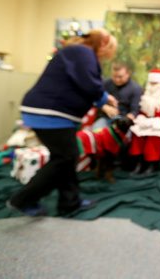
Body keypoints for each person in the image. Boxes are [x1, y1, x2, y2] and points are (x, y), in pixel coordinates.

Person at [7, 28, 118, 217]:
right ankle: (22, 199)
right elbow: (89, 84)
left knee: (68, 158)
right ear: (103, 43)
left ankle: (69, 202)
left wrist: (102, 102)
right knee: (65, 158)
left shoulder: (77, 52)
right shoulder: (82, 53)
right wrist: (106, 99)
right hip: (49, 113)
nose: (108, 55)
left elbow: (81, 84)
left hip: (52, 114)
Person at [92, 61, 142, 129]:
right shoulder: (106, 83)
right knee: (96, 130)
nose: (117, 80)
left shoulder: (136, 89)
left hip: (122, 122)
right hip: (105, 118)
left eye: (120, 77)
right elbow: (94, 99)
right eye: (114, 76)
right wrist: (104, 107)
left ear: (128, 74)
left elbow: (134, 111)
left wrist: (127, 119)